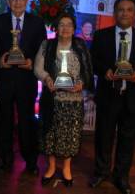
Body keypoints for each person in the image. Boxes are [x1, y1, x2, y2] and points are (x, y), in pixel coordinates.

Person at [89, 0, 135, 194]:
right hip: (108, 95)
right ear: (114, 13)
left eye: (129, 10)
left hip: (131, 96)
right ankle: (101, 172)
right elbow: (93, 60)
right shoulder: (101, 35)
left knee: (127, 139)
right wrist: (105, 72)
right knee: (103, 137)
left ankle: (121, 177)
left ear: (134, 14)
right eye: (120, 10)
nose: (124, 13)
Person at [0, 0, 47, 174]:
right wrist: (1, 60)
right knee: (4, 121)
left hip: (26, 80)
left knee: (27, 122)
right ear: (8, 2)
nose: (17, 2)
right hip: (4, 80)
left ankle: (31, 161)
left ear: (26, 1)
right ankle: (6, 159)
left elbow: (43, 50)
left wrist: (32, 61)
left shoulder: (37, 23)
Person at [34, 14, 94, 187]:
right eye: (61, 24)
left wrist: (81, 83)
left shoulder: (81, 45)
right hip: (52, 99)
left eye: (69, 25)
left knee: (70, 135)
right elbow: (37, 67)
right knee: (50, 134)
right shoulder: (47, 45)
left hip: (73, 100)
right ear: (56, 27)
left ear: (74, 28)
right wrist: (46, 79)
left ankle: (67, 168)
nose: (65, 28)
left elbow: (88, 69)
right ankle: (51, 167)